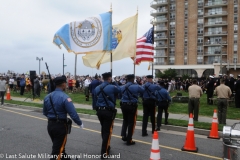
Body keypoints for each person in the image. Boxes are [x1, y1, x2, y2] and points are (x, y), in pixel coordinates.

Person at [43, 75, 83, 160]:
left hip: (50, 125)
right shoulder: (65, 97)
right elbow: (73, 113)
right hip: (60, 126)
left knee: (60, 147)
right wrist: (79, 123)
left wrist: (52, 117)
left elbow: (45, 112)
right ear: (64, 84)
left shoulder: (47, 97)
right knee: (57, 152)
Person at [94, 72, 120, 159]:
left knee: (104, 129)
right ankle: (104, 152)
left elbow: (94, 100)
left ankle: (106, 146)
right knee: (107, 131)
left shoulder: (97, 87)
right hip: (108, 111)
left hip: (99, 111)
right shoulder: (112, 87)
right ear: (109, 78)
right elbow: (120, 90)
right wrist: (115, 82)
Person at [120, 74, 144, 145]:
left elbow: (119, 94)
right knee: (131, 123)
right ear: (133, 79)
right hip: (132, 106)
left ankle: (124, 135)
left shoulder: (123, 86)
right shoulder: (136, 86)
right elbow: (143, 91)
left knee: (125, 120)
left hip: (123, 105)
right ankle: (129, 139)